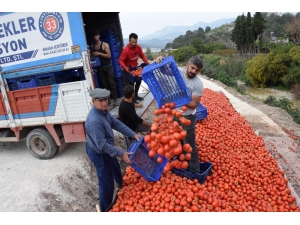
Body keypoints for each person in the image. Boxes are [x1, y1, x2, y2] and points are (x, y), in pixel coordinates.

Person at [85, 88, 140, 212]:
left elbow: (116, 123)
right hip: (99, 153)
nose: (104, 103)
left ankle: (121, 185)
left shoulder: (103, 112)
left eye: (105, 100)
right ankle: (105, 209)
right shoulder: (94, 121)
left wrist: (133, 134)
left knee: (115, 167)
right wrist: (121, 153)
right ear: (93, 101)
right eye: (100, 101)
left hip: (105, 148)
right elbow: (102, 145)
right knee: (106, 184)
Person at [154, 55, 204, 173]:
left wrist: (179, 100)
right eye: (192, 68)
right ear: (187, 64)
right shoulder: (178, 72)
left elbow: (193, 105)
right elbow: (163, 70)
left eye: (197, 70)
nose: (193, 72)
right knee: (180, 142)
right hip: (176, 114)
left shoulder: (198, 84)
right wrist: (160, 60)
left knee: (189, 144)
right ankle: (185, 166)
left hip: (188, 116)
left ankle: (195, 171)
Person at [90, 29, 119, 107]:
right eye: (93, 36)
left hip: (108, 66)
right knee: (105, 85)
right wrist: (93, 55)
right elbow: (91, 57)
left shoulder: (105, 44)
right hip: (99, 68)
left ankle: (115, 100)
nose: (95, 37)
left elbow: (109, 55)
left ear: (99, 35)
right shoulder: (92, 46)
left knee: (111, 83)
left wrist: (98, 53)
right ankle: (108, 101)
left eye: (96, 35)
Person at [119, 33, 150, 102]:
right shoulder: (126, 50)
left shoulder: (138, 47)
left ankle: (136, 95)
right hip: (128, 69)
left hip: (135, 67)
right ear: (129, 41)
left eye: (135, 42)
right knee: (131, 84)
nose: (134, 44)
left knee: (139, 81)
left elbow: (142, 56)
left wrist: (147, 62)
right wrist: (125, 68)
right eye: (132, 42)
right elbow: (120, 60)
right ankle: (132, 99)